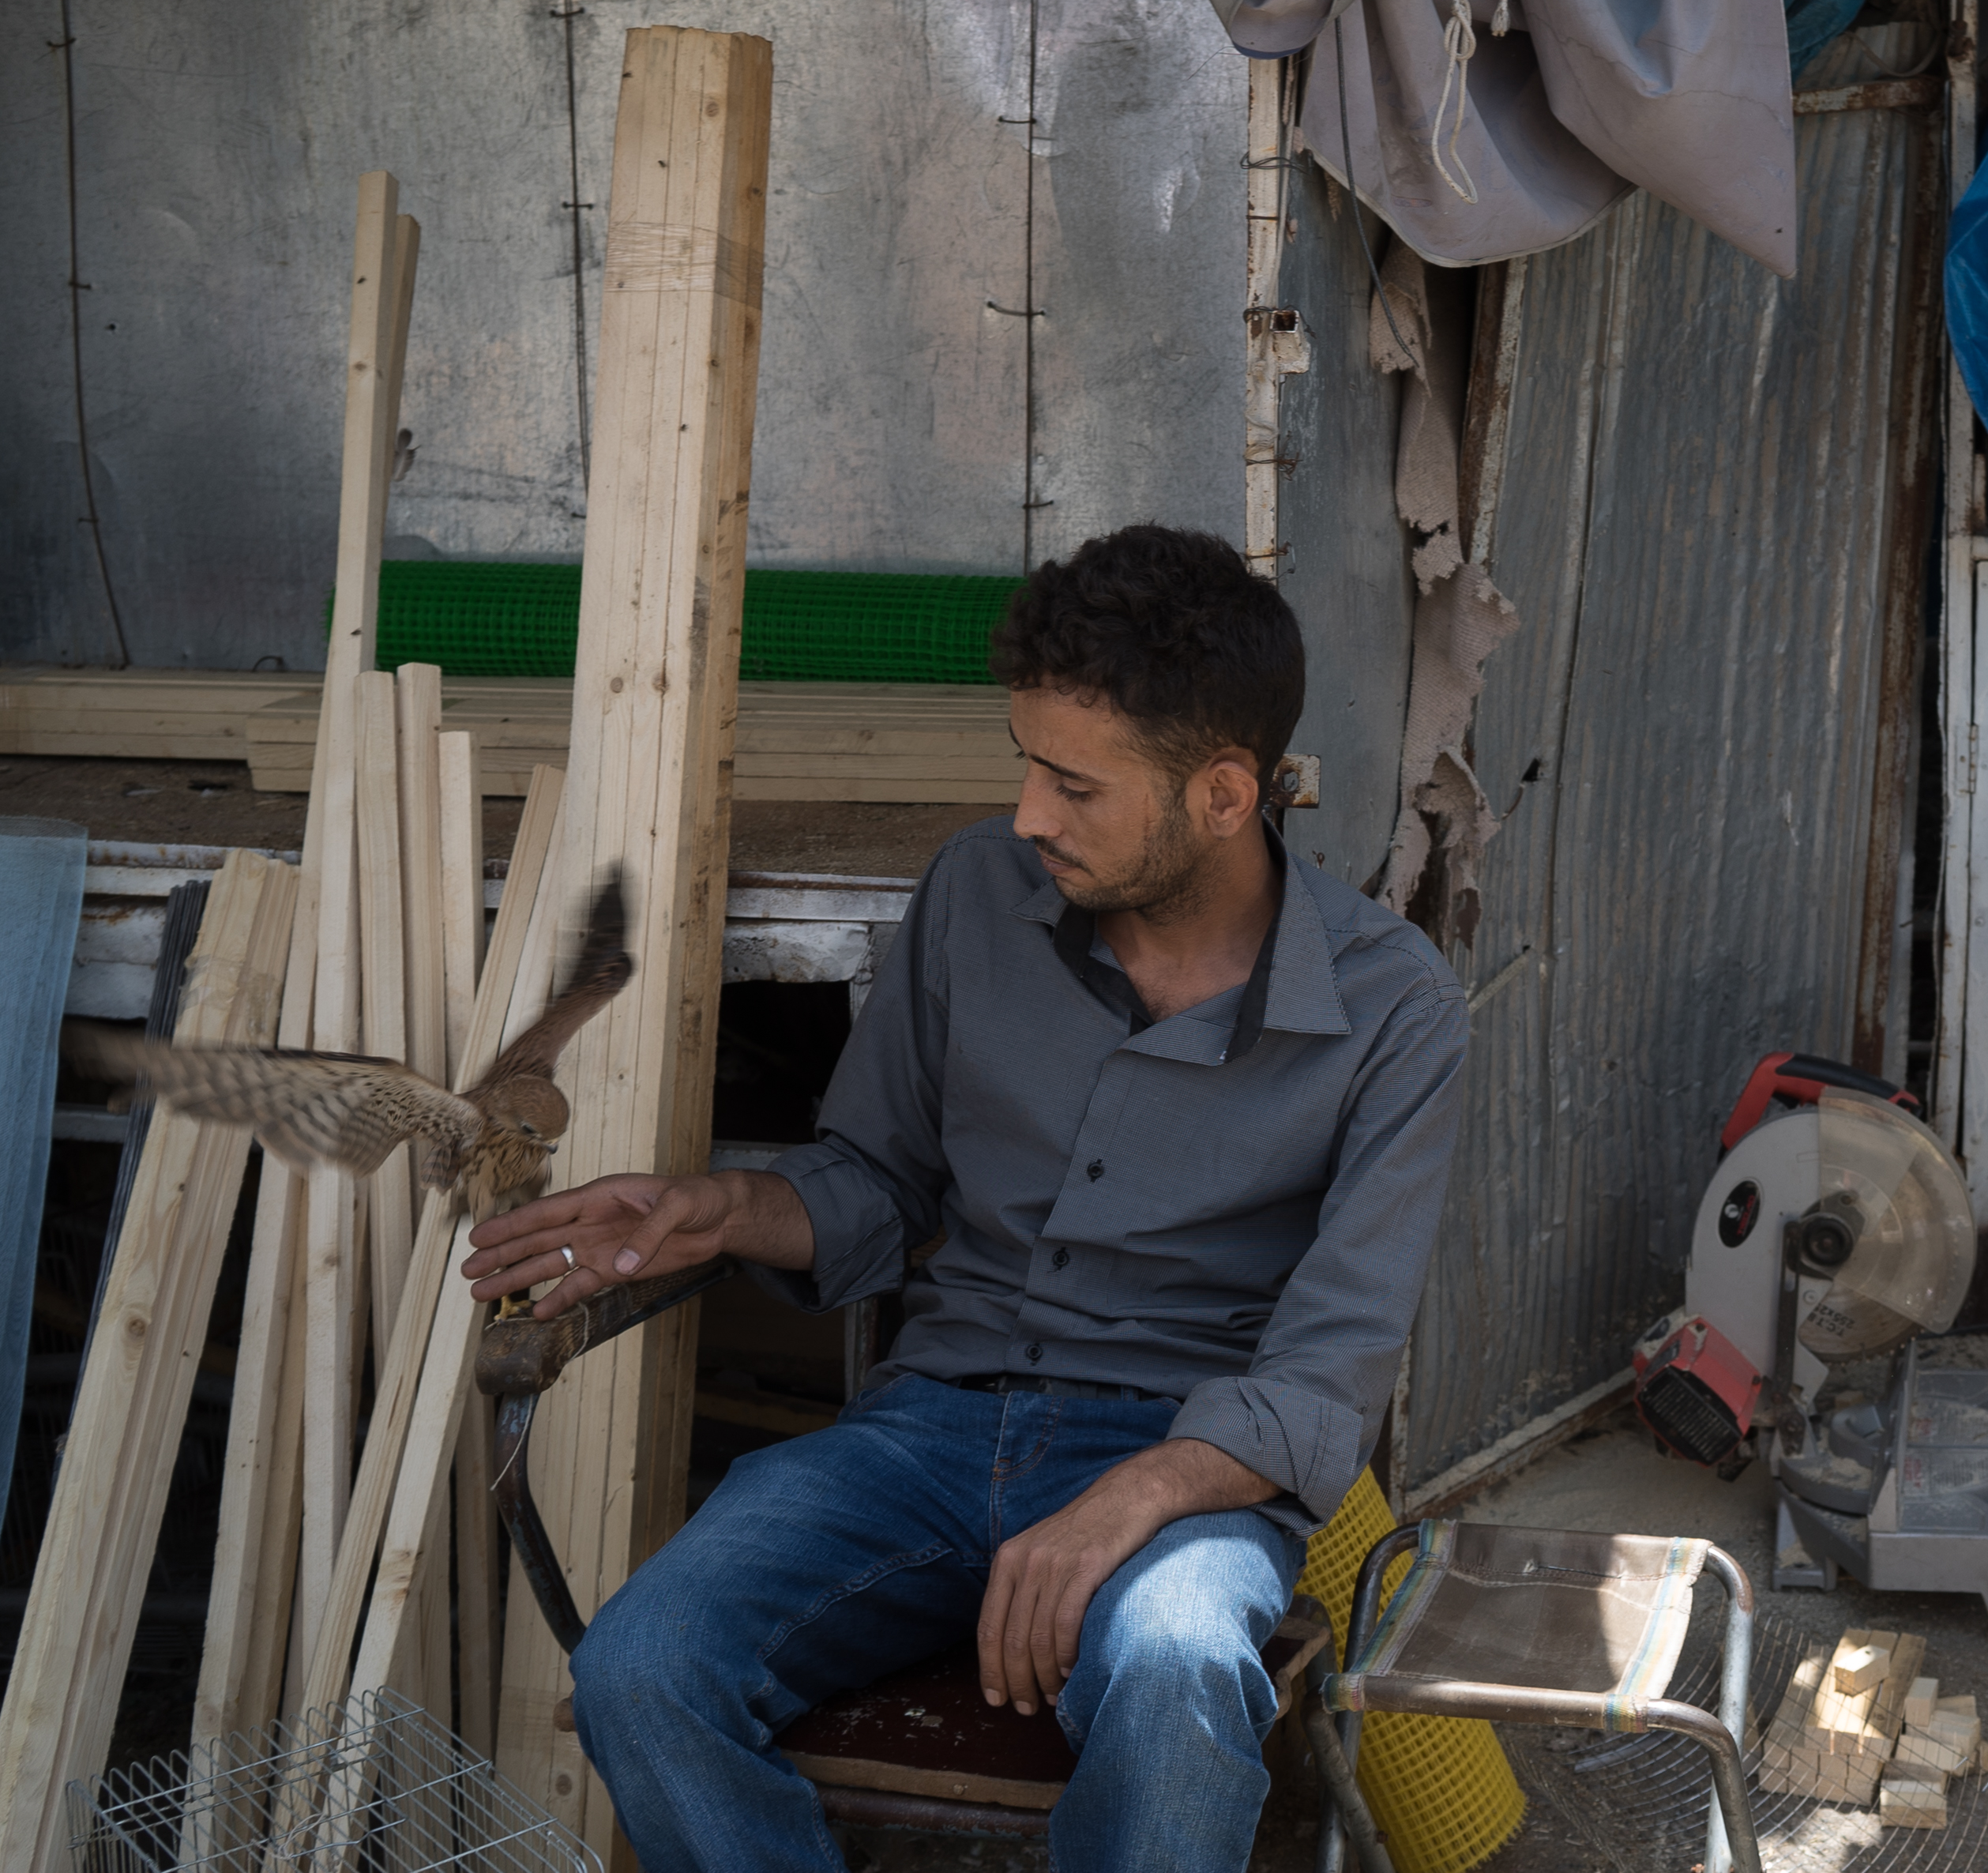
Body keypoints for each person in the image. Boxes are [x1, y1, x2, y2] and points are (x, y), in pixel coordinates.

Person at [464, 525, 1470, 1873]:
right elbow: (876, 1180)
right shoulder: (972, 897)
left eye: (1074, 783)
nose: (1027, 816)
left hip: (1181, 1465)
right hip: (924, 1435)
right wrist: (715, 1208)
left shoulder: (1394, 1007)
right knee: (640, 1666)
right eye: (1026, 765)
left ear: (1224, 796)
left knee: (1178, 1665)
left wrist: (1118, 1509)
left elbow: (1329, 1371)